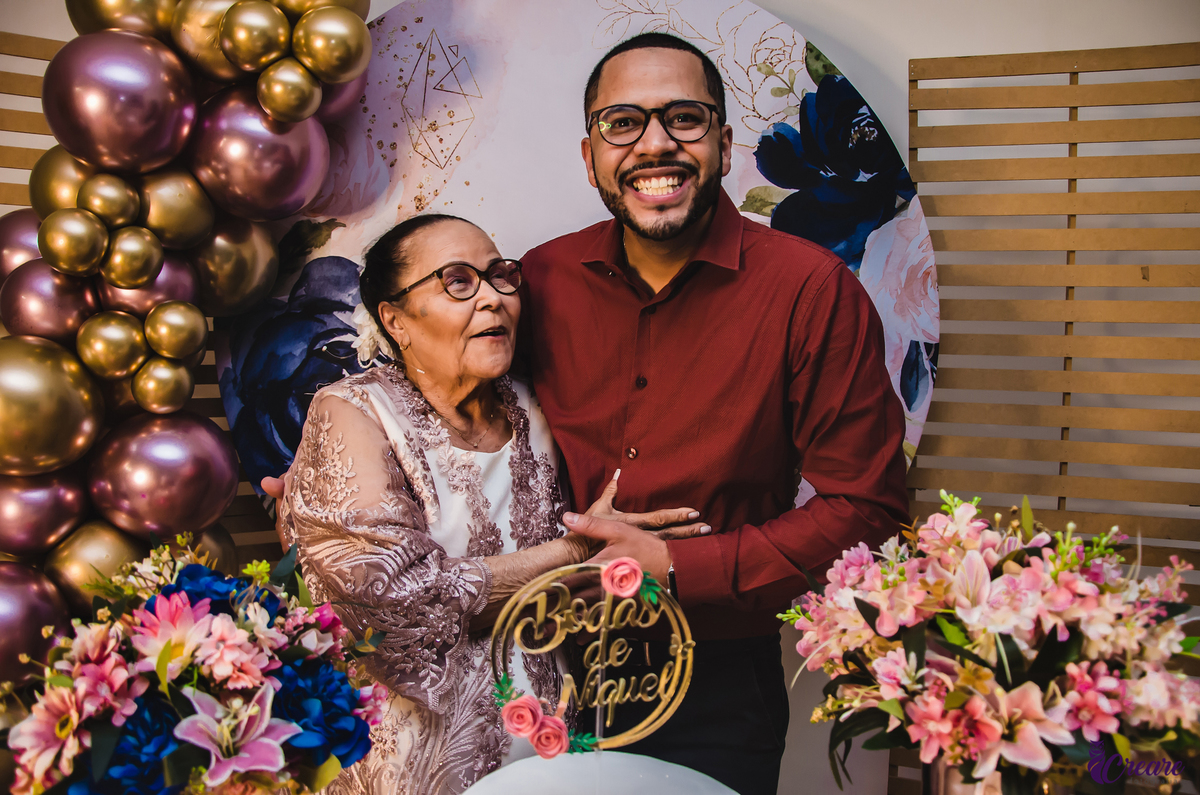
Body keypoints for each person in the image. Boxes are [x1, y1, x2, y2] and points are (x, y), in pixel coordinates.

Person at [515, 33, 910, 795]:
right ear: (591, 154)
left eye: (684, 119)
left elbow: (868, 505)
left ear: (725, 145)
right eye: (622, 123)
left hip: (713, 674)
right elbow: (458, 417)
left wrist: (678, 568)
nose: (654, 144)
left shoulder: (811, 290)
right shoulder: (541, 277)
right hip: (536, 653)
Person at [268, 214, 705, 795]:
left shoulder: (539, 407)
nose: (493, 299)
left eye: (501, 278)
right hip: (411, 761)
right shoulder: (353, 412)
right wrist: (577, 548)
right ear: (394, 319)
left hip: (556, 755)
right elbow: (392, 603)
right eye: (457, 282)